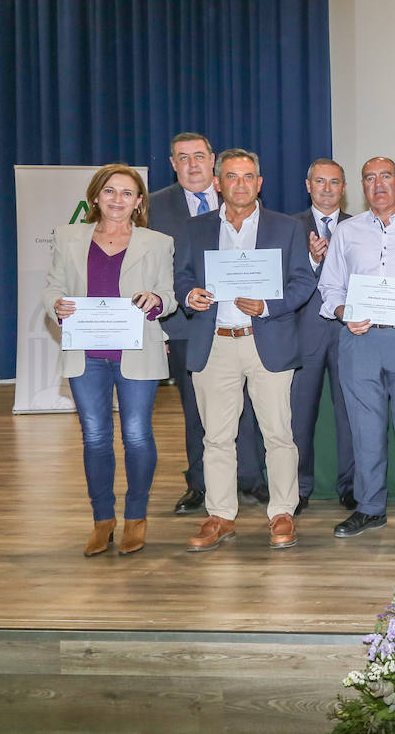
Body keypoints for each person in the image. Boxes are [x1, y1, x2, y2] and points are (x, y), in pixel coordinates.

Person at [175, 150, 315, 551]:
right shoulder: (195, 228)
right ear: (217, 183)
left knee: (279, 434)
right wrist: (190, 294)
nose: (240, 184)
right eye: (231, 177)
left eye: (248, 176)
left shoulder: (286, 227)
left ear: (260, 182)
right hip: (213, 341)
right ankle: (220, 515)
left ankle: (282, 512)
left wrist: (269, 305)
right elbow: (182, 275)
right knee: (216, 436)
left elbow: (303, 282)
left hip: (266, 341)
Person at [45, 164, 176, 556]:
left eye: (127, 193)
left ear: (138, 202)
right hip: (86, 354)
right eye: (110, 191)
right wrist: (55, 304)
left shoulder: (158, 241)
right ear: (96, 196)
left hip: (137, 351)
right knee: (96, 437)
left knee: (136, 435)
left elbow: (168, 295)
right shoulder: (68, 237)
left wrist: (157, 301)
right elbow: (53, 287)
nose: (118, 199)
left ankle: (136, 517)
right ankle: (103, 520)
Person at [318, 157, 395, 541]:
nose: (378, 184)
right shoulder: (347, 231)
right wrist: (344, 312)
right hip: (359, 340)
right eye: (370, 178)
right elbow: (330, 288)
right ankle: (370, 507)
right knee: (365, 430)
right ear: (362, 185)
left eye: (385, 176)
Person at [148, 132, 266, 515]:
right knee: (197, 409)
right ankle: (200, 484)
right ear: (172, 163)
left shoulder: (238, 195)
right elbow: (149, 269)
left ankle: (249, 479)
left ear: (213, 161)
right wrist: (158, 324)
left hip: (247, 321)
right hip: (186, 324)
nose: (192, 164)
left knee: (247, 406)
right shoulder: (153, 207)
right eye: (183, 158)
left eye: (199, 156)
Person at [290, 158, 355, 515]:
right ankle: (299, 488)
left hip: (349, 331)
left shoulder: (360, 227)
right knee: (300, 414)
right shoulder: (287, 227)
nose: (327, 189)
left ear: (344, 188)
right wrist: (314, 263)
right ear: (308, 185)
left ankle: (351, 487)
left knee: (349, 415)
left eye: (334, 182)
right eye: (320, 182)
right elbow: (284, 281)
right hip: (305, 331)